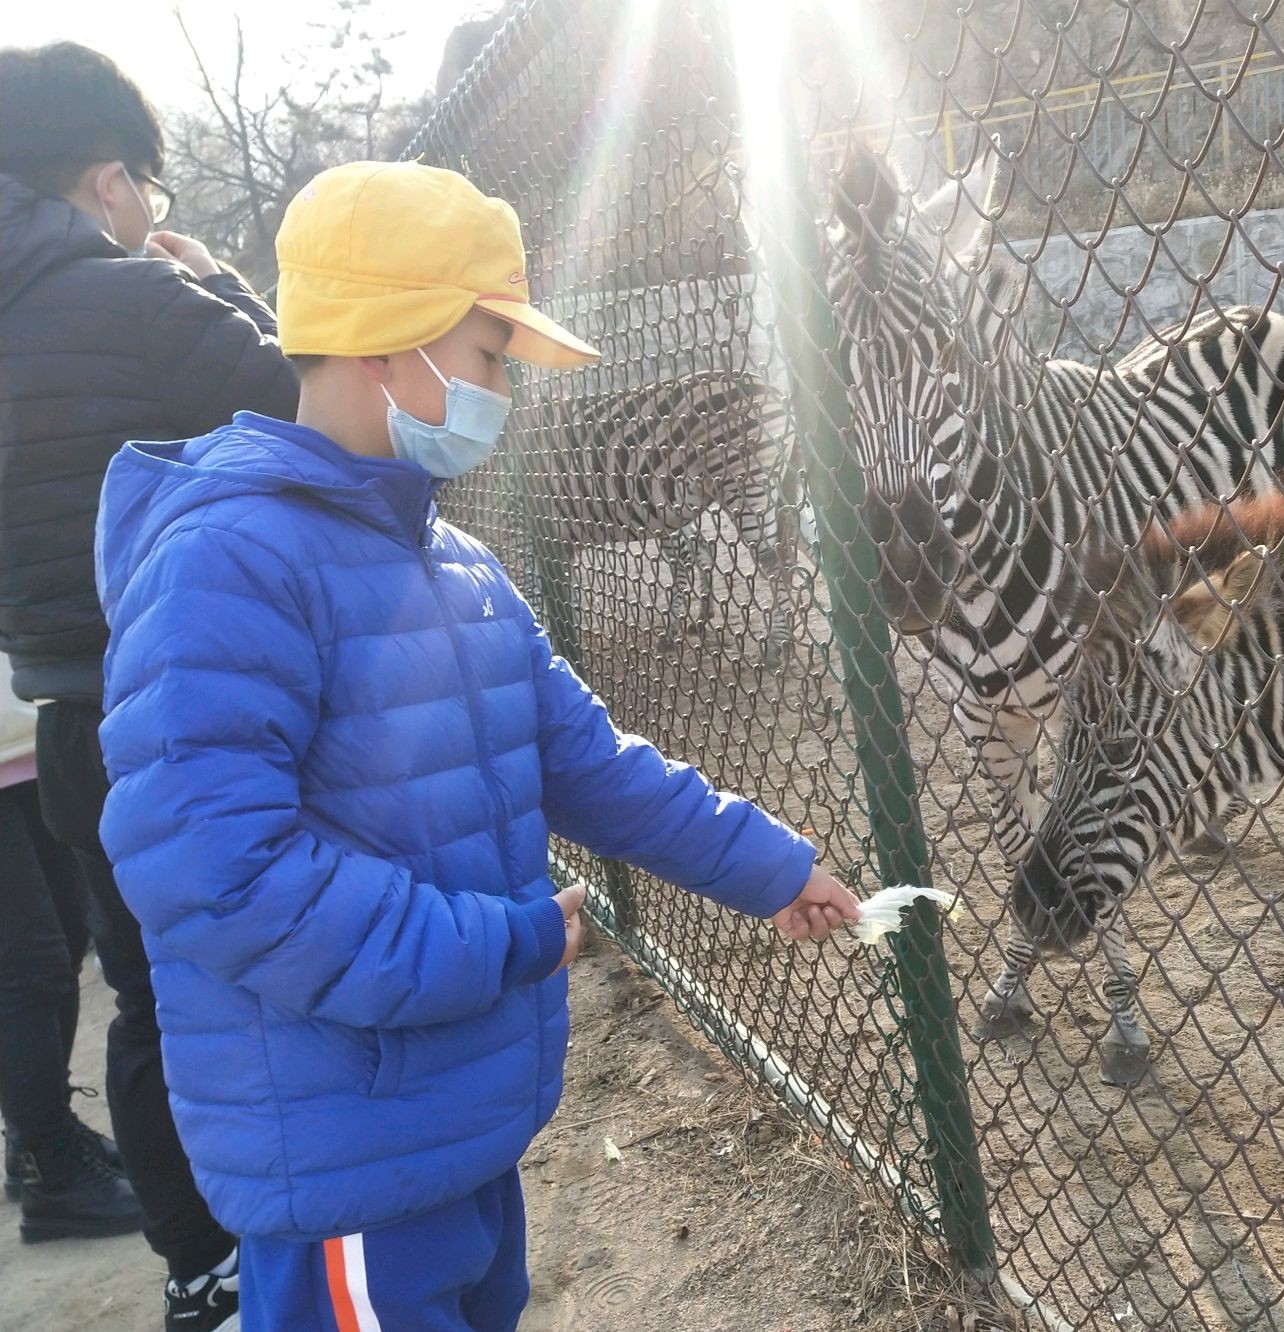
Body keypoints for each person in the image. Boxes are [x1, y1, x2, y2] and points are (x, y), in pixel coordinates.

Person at [92, 158, 863, 1332]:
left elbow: (587, 765)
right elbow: (217, 873)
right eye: (492, 354)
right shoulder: (226, 564)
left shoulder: (454, 567)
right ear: (387, 347)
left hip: (448, 1123)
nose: (509, 388)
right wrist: (496, 946)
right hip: (344, 1153)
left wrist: (770, 868)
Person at [0, 40, 300, 1330]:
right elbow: (310, 401)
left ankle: (200, 1270)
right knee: (279, 965)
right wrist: (216, 278)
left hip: (71, 720)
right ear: (109, 178)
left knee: (147, 998)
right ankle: (307, 1232)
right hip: (209, 703)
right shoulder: (129, 298)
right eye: (147, 192)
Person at [0, 655, 144, 1242]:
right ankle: (48, 1166)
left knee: (64, 938)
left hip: (20, 727)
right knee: (24, 968)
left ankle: (36, 1129)